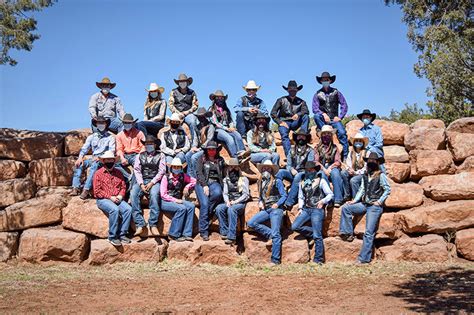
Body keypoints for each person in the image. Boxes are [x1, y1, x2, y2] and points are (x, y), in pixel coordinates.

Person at [339, 152, 391, 264]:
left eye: (373, 161)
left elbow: (387, 189)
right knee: (346, 208)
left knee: (368, 232)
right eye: (369, 161)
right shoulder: (366, 175)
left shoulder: (381, 175)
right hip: (364, 204)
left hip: (374, 207)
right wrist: (354, 201)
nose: (371, 163)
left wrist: (379, 201)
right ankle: (347, 233)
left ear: (377, 163)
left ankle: (364, 259)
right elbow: (362, 189)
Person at [291, 161, 334, 264]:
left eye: (311, 170)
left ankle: (318, 259)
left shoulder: (321, 181)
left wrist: (322, 201)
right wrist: (300, 208)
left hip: (317, 210)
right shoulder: (302, 181)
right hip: (306, 209)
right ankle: (313, 233)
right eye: (307, 170)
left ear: (315, 170)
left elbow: (330, 194)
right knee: (295, 226)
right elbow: (300, 196)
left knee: (317, 236)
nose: (309, 172)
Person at [247, 160, 287, 265]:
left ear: (271, 170)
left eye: (268, 168)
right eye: (264, 168)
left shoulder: (277, 181)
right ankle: (270, 234)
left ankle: (275, 260)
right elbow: (261, 197)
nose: (265, 170)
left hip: (276, 209)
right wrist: (260, 202)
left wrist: (277, 204)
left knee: (276, 234)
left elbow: (284, 196)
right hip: (266, 209)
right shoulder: (260, 182)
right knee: (251, 223)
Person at [93, 151, 132, 247]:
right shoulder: (98, 173)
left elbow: (123, 186)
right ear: (103, 161)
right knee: (114, 210)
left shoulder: (118, 173)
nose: (109, 161)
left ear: (114, 161)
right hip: (103, 199)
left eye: (111, 159)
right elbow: (97, 191)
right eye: (107, 160)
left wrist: (120, 196)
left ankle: (122, 234)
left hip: (117, 198)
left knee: (128, 209)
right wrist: (110, 197)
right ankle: (112, 236)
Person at [71, 116, 115, 200]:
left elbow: (111, 151)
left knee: (94, 166)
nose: (101, 125)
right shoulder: (92, 137)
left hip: (103, 159)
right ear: (96, 124)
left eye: (102, 123)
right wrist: (80, 157)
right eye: (99, 123)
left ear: (106, 124)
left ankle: (86, 189)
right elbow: (85, 148)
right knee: (79, 164)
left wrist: (101, 157)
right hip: (93, 158)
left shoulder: (110, 137)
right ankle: (75, 187)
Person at [130, 136, 166, 237]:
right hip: (142, 180)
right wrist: (141, 184)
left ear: (155, 145)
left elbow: (162, 171)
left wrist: (152, 182)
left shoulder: (161, 155)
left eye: (151, 143)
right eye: (147, 143)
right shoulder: (139, 156)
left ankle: (153, 223)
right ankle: (139, 223)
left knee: (154, 195)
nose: (148, 145)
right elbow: (137, 170)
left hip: (154, 181)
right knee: (133, 194)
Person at [312, 72, 349, 159]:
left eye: (327, 80)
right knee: (316, 116)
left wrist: (340, 117)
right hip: (324, 121)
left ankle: (345, 156)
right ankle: (325, 132)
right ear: (321, 81)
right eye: (323, 80)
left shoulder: (336, 92)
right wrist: (323, 114)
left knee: (342, 133)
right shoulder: (317, 94)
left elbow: (344, 105)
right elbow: (314, 108)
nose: (325, 81)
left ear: (330, 80)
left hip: (334, 120)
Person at [160, 158, 196, 242]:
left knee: (191, 206)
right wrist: (175, 200)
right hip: (165, 201)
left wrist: (187, 186)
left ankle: (187, 233)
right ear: (171, 167)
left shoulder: (183, 176)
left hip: (177, 200)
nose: (176, 169)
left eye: (178, 167)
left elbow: (194, 181)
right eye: (174, 167)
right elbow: (163, 195)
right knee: (181, 208)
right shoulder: (165, 177)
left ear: (181, 168)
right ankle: (174, 234)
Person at [277, 129, 315, 208]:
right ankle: (281, 196)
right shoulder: (292, 150)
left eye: (303, 136)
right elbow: (288, 165)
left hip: (304, 174)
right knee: (280, 172)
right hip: (293, 173)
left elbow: (310, 166)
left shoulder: (310, 150)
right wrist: (291, 169)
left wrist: (301, 172)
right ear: (296, 138)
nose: (301, 138)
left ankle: (289, 202)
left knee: (298, 176)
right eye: (299, 136)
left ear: (306, 138)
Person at [215, 158, 250, 245]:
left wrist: (235, 202)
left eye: (235, 167)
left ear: (238, 168)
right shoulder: (226, 179)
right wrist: (227, 201)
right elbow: (225, 193)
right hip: (230, 202)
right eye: (231, 167)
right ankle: (224, 232)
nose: (233, 169)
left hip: (240, 203)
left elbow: (246, 195)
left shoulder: (243, 179)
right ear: (228, 168)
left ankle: (232, 237)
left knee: (232, 210)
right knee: (219, 208)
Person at [195, 141, 225, 241]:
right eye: (209, 149)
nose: (211, 151)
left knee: (218, 193)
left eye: (213, 149)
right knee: (204, 203)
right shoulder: (201, 159)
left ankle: (207, 214)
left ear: (216, 150)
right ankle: (204, 231)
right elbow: (199, 173)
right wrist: (204, 185)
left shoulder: (220, 160)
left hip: (215, 183)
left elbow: (223, 174)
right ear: (206, 150)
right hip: (202, 183)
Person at [271, 80, 310, 156]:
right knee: (284, 135)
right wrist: (280, 122)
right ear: (288, 90)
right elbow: (273, 113)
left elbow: (306, 111)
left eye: (294, 90)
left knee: (306, 117)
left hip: (295, 123)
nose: (292, 91)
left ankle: (303, 136)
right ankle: (290, 156)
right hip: (284, 123)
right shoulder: (281, 100)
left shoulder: (301, 101)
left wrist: (298, 114)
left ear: (297, 90)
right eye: (290, 90)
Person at [208, 90, 247, 159]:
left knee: (237, 135)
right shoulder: (211, 110)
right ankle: (235, 157)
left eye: (221, 98)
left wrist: (232, 127)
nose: (220, 99)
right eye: (218, 98)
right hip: (217, 130)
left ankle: (242, 153)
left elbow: (230, 120)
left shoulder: (226, 109)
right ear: (214, 99)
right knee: (229, 139)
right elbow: (216, 123)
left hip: (228, 129)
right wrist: (227, 128)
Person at [314, 125, 344, 207]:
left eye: (328, 134)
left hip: (332, 167)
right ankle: (328, 199)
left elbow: (338, 161)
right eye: (324, 134)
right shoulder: (317, 148)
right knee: (322, 175)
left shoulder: (335, 148)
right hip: (322, 167)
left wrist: (330, 168)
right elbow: (316, 161)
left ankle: (338, 199)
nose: (326, 136)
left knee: (336, 173)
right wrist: (324, 169)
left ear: (331, 135)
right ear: (321, 135)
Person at [168, 73, 199, 143]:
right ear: (178, 83)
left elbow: (195, 105)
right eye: (181, 82)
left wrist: (187, 112)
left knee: (192, 122)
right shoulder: (173, 91)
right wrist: (177, 113)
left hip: (188, 113)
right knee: (171, 123)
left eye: (184, 81)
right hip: (177, 113)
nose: (182, 83)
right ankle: (170, 143)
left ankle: (195, 142)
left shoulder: (192, 92)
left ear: (187, 82)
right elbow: (170, 104)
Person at [185, 107, 215, 177]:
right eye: (199, 117)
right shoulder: (197, 127)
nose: (201, 118)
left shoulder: (210, 126)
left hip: (207, 148)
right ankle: (190, 176)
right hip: (198, 148)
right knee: (187, 155)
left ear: (205, 116)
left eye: (202, 116)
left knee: (194, 157)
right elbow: (195, 138)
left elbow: (209, 140)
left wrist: (200, 148)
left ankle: (196, 177)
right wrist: (194, 147)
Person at [116, 113, 145, 182]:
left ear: (132, 123)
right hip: (125, 155)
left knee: (138, 165)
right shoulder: (119, 135)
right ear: (123, 123)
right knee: (113, 164)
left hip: (136, 155)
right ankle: (129, 177)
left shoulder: (139, 133)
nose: (127, 124)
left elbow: (143, 147)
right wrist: (122, 158)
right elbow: (119, 149)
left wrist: (139, 156)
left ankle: (133, 183)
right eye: (125, 122)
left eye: (129, 123)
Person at [341, 133, 368, 200]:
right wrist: (349, 170)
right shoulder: (351, 153)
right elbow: (348, 163)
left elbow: (366, 168)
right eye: (356, 141)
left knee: (353, 180)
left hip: (362, 174)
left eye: (360, 141)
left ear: (363, 143)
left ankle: (355, 198)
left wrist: (356, 172)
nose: (358, 142)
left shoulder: (367, 153)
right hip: (353, 171)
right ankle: (347, 195)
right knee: (343, 173)